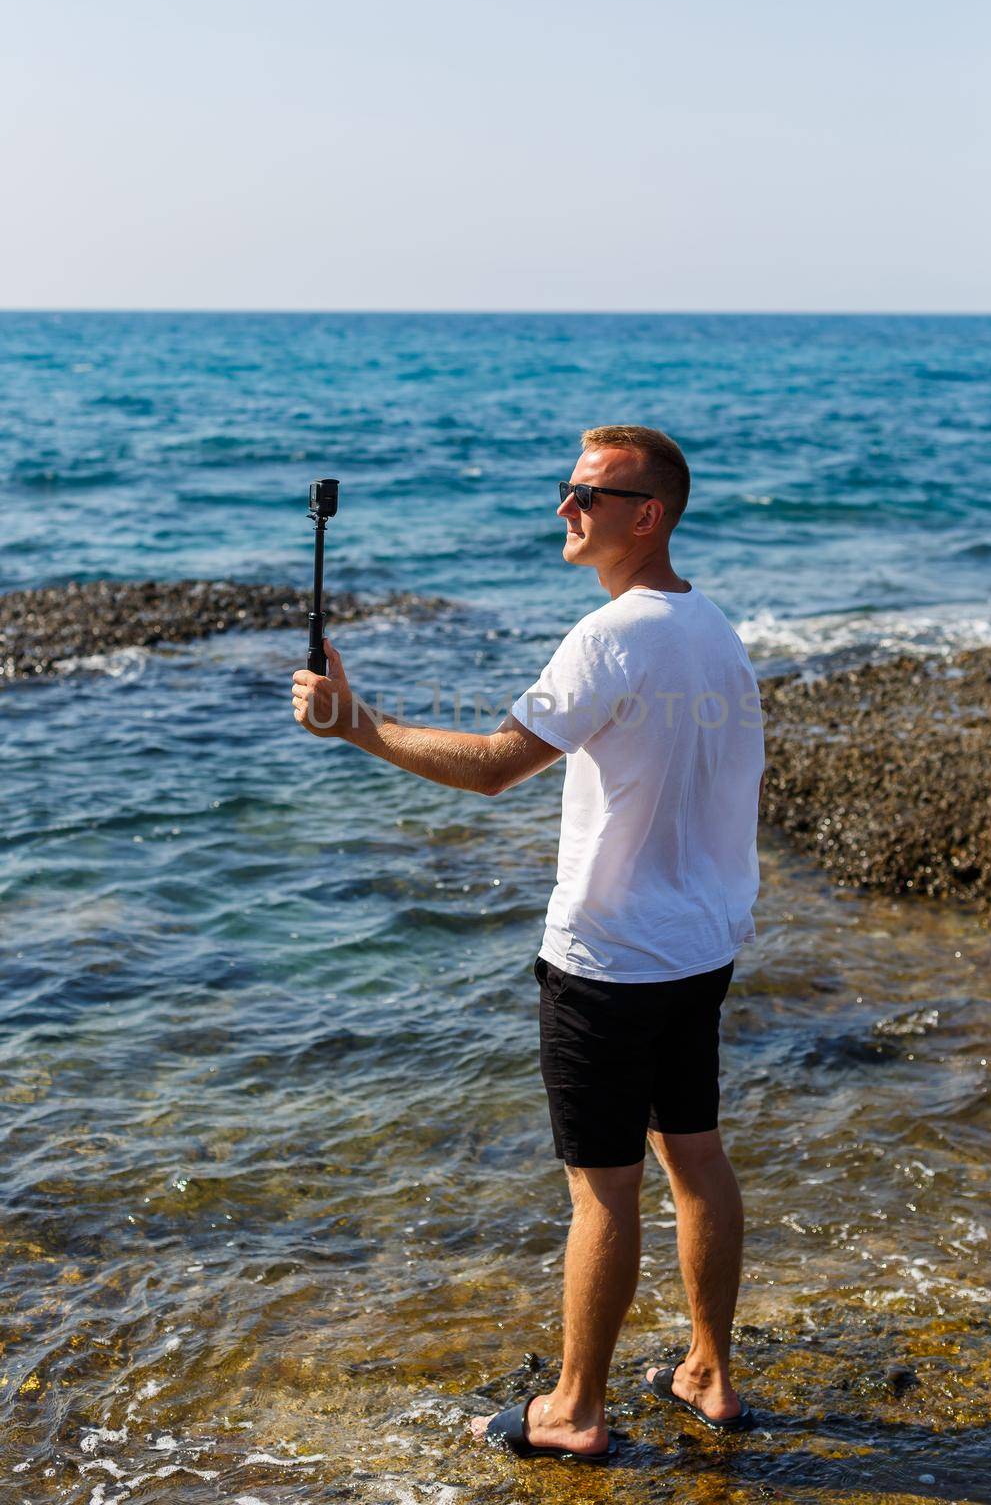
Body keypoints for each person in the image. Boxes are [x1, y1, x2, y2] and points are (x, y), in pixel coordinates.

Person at [292, 425, 765, 1464]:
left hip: (608, 960)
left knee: (601, 1188)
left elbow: (495, 765)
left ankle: (574, 1409)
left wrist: (355, 723)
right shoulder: (715, 631)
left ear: (645, 514)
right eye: (565, 490)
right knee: (692, 1154)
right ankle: (708, 1373)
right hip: (698, 948)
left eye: (585, 495)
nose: (564, 509)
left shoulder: (609, 638)